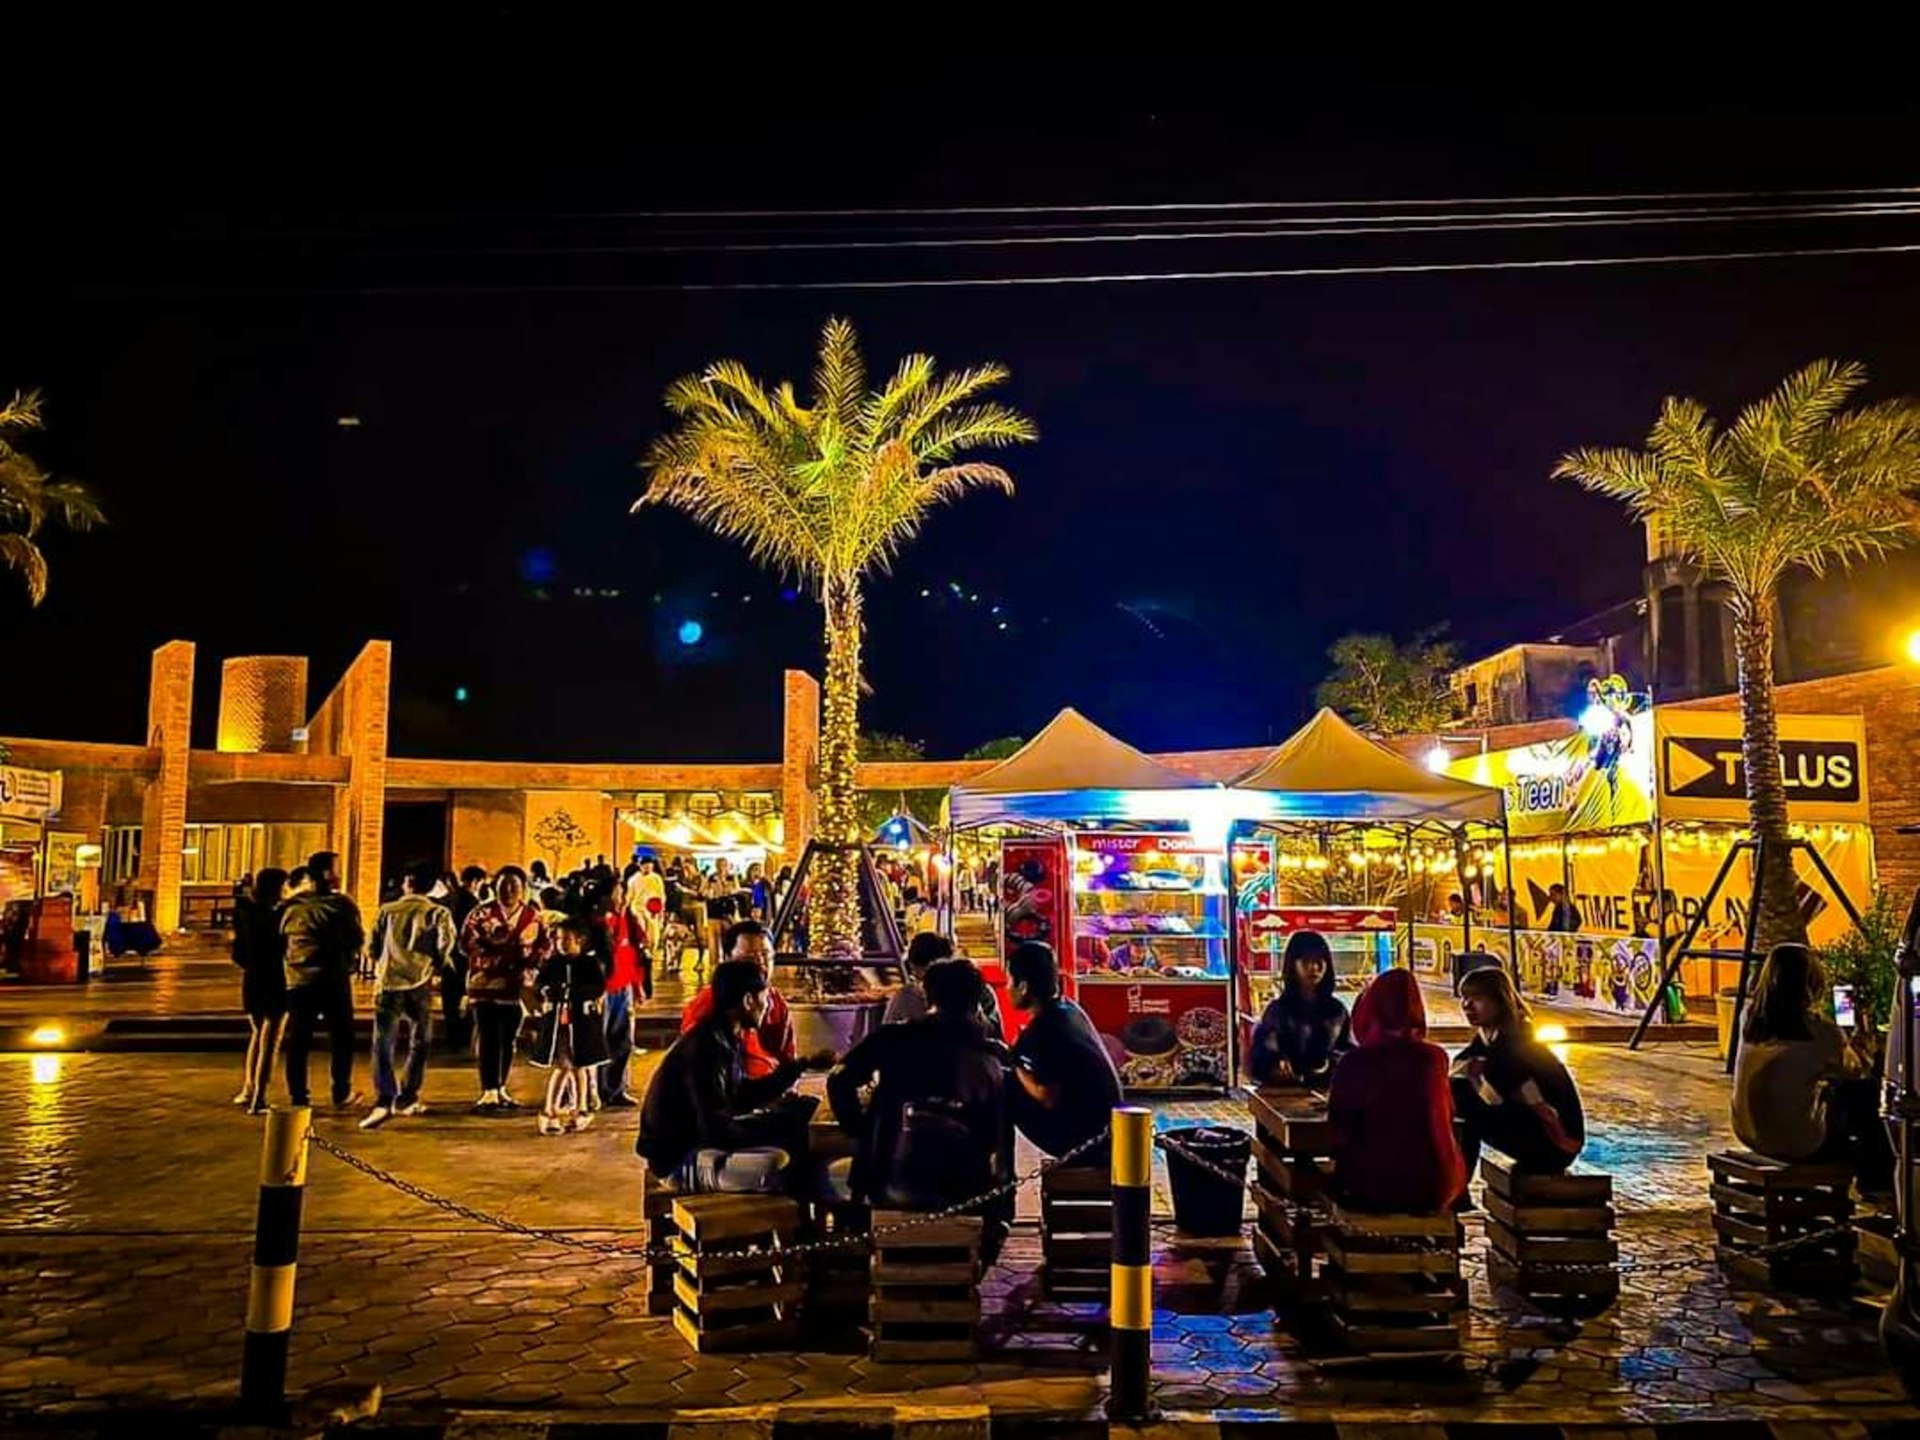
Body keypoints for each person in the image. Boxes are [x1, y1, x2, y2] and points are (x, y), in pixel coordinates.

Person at [828, 958, 1009, 1241]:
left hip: (889, 1185)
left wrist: (861, 1129)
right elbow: (996, 1144)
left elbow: (839, 1079)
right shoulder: (991, 1059)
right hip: (962, 1193)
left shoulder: (892, 1038)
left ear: (927, 998)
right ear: (977, 1005)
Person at [637, 958, 819, 1192]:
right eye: (765, 998)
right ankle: (802, 1212)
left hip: (701, 1143)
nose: (768, 1007)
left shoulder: (725, 1037)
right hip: (681, 1160)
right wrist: (772, 1128)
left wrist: (799, 1068)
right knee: (778, 1163)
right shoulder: (706, 1048)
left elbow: (740, 1095)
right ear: (748, 1001)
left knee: (795, 1126)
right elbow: (716, 1130)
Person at [1731, 942, 1892, 1190]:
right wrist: (1861, 1040)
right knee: (1866, 1093)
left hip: (1751, 1135)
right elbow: (1858, 1070)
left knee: (1831, 1090)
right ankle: (1877, 1183)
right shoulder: (1819, 1031)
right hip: (1799, 1144)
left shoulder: (1749, 1019)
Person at [1327, 968, 1466, 1213]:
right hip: (1438, 1187)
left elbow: (1338, 1126)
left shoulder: (1356, 1062)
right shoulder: (1435, 1058)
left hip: (1375, 1186)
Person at [1451, 966, 1585, 1175]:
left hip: (1555, 1145)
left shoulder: (1517, 1046)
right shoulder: (1487, 1042)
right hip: (1535, 1131)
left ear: (1500, 1001)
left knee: (1462, 1099)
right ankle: (1455, 1182)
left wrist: (1471, 1080)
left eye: (1477, 998)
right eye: (1464, 998)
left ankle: (1456, 1184)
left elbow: (1496, 1098)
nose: (1467, 1005)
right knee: (1456, 1093)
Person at [361, 861, 457, 1130]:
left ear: (407, 883)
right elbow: (445, 944)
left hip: (388, 983)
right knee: (420, 1041)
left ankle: (385, 1097)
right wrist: (436, 964)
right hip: (420, 982)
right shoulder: (438, 912)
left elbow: (372, 947)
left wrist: (385, 960)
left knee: (383, 1042)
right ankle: (408, 1096)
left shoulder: (387, 910)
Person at [1006, 941, 1122, 1161]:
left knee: (1003, 1084)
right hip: (1108, 1130)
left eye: (1010, 981)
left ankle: (1001, 1174)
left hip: (1086, 1142)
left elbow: (1047, 1095)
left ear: (1023, 986)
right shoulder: (1069, 1009)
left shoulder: (1044, 1027)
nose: (1007, 988)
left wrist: (1017, 1067)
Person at [279, 850, 366, 1112]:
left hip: (297, 981)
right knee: (341, 1037)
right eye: (336, 869)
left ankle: (299, 1096)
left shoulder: (291, 906)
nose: (339, 874)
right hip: (331, 978)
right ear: (327, 873)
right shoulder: (341, 905)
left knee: (299, 1040)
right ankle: (341, 1090)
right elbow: (356, 938)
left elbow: (280, 940)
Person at [460, 864, 551, 1112]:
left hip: (517, 986)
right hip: (485, 985)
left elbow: (544, 945)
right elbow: (467, 942)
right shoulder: (481, 914)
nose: (509, 890)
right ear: (495, 887)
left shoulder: (533, 916)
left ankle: (500, 1087)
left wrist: (531, 966)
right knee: (489, 1035)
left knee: (509, 1037)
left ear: (523, 889)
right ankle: (488, 1089)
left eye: (514, 885)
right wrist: (494, 957)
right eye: (504, 885)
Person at [680, 920, 801, 1079]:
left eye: (766, 955)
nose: (760, 963)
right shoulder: (708, 1003)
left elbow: (788, 1058)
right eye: (750, 957)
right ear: (728, 959)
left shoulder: (777, 1004)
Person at [531, 914, 612, 1134]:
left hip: (582, 1024)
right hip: (559, 1025)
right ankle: (550, 1110)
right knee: (563, 1066)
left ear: (579, 940)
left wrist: (577, 994)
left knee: (580, 1066)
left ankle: (580, 1109)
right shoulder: (552, 963)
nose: (561, 944)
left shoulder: (589, 963)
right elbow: (539, 985)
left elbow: (599, 987)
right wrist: (548, 993)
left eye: (566, 939)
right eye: (558, 939)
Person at [1248, 931, 1351, 1089]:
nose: (1314, 967)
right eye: (1306, 960)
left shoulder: (1337, 1011)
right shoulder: (1278, 1011)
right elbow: (1262, 1055)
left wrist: (1331, 1065)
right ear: (1292, 964)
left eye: (1319, 960)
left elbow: (1348, 1053)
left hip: (1327, 1091)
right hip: (1285, 1093)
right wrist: (1275, 1065)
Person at [232, 867, 290, 1114]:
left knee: (257, 1035)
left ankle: (248, 1088)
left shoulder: (245, 913)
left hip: (252, 979)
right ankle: (259, 1097)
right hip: (275, 979)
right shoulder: (277, 916)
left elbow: (238, 953)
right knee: (271, 1040)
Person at [885, 930, 1003, 1037]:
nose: (926, 987)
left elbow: (994, 1034)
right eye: (919, 979)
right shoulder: (907, 997)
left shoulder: (979, 993)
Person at [597, 882, 645, 1107]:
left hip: (623, 986)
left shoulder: (628, 919)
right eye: (617, 894)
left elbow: (630, 953)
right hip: (604, 989)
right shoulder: (600, 922)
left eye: (623, 894)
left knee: (623, 1041)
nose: (622, 898)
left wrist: (637, 985)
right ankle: (596, 1090)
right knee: (600, 1041)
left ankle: (616, 1089)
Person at [441, 865, 488, 1051]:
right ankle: (463, 1035)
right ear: (476, 881)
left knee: (450, 999)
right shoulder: (473, 903)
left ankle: (452, 1036)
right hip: (466, 955)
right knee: (469, 996)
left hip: (448, 954)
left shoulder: (448, 898)